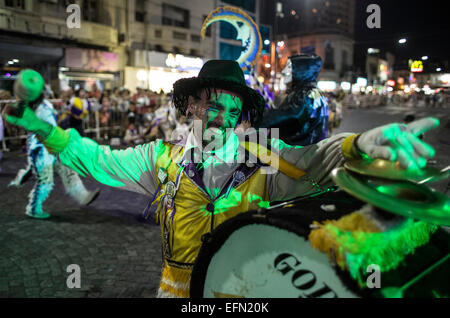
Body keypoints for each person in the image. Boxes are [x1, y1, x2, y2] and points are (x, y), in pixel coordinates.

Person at [4, 61, 440, 296]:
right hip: (175, 289)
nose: (224, 120)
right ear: (191, 104)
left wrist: (361, 143)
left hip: (242, 288)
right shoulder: (160, 159)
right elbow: (96, 159)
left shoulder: (261, 155)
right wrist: (46, 130)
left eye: (234, 112)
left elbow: (311, 159)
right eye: (214, 106)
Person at [5, 70, 100, 219]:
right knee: (45, 181)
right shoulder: (29, 110)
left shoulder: (43, 105)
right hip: (40, 149)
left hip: (54, 144)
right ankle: (34, 208)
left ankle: (82, 196)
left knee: (68, 169)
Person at [260, 54, 329, 146]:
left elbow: (293, 115)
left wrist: (259, 120)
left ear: (302, 71)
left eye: (289, 68)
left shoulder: (309, 93)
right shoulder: (307, 92)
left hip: (298, 153)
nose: (283, 71)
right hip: (300, 150)